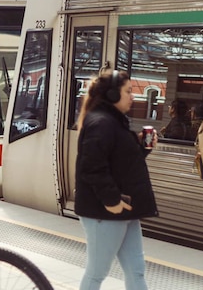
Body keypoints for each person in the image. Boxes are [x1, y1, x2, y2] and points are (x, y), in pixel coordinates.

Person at [74, 70, 158, 290]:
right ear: (112, 95)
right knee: (96, 273)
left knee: (136, 270)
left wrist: (142, 147)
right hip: (105, 211)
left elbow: (124, 164)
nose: (133, 97)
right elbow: (91, 167)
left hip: (124, 208)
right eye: (128, 91)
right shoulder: (101, 123)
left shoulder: (114, 122)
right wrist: (111, 201)